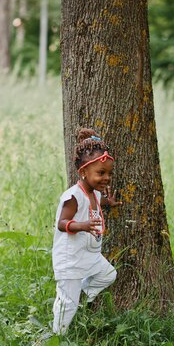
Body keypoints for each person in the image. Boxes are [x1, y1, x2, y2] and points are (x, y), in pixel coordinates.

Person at [52, 128, 122, 334]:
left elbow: (94, 207)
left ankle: (81, 294)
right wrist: (80, 226)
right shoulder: (73, 196)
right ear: (83, 172)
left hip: (89, 256)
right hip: (71, 258)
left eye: (109, 173)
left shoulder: (94, 193)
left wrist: (107, 203)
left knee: (109, 274)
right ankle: (57, 337)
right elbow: (62, 223)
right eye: (101, 173)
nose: (107, 178)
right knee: (67, 305)